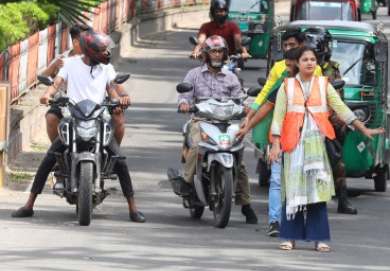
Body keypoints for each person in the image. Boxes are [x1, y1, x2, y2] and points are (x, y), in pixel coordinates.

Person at [12, 30, 145, 223]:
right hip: (73, 117)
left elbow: (115, 85)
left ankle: (133, 208)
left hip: (98, 118)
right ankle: (29, 205)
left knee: (121, 161)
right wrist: (47, 94)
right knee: (50, 157)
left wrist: (124, 97)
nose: (106, 52)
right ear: (91, 50)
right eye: (103, 49)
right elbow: (56, 82)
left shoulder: (105, 69)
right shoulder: (70, 64)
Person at [269, 46, 383, 252]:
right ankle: (290, 237)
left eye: (313, 59)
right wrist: (275, 145)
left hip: (317, 147)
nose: (310, 63)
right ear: (296, 63)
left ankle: (319, 238)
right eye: (305, 59)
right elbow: (278, 117)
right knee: (293, 192)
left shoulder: (324, 85)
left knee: (317, 193)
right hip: (293, 146)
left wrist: (362, 127)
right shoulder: (286, 86)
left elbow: (341, 108)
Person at [177, 35, 257, 224]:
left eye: (220, 51)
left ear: (225, 54)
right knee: (196, 146)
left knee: (240, 161)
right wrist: (184, 105)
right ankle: (187, 183)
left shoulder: (231, 77)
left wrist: (247, 108)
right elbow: (184, 96)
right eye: (213, 51)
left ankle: (246, 205)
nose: (217, 54)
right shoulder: (194, 74)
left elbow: (239, 98)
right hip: (200, 121)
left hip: (226, 123)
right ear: (205, 54)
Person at [235, 48, 300, 237]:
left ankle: (296, 222)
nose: (287, 69)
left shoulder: (317, 85)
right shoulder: (284, 83)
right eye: (286, 65)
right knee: (276, 181)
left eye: (290, 65)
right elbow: (267, 106)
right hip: (280, 139)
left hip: (305, 142)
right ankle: (274, 222)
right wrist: (247, 125)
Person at [304, 27, 358, 214]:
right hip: (302, 113)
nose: (327, 49)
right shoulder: (299, 64)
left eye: (328, 45)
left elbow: (337, 100)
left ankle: (342, 198)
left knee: (335, 151)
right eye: (324, 45)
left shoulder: (332, 69)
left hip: (326, 113)